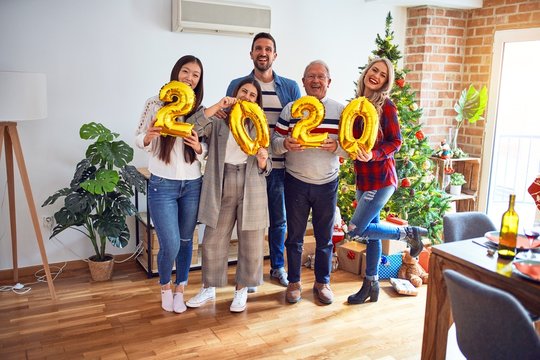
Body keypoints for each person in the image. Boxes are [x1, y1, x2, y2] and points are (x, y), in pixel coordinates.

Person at [345, 57, 427, 305]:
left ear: (385, 82)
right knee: (371, 235)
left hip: (381, 179)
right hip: (363, 180)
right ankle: (371, 286)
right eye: (374, 70)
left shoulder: (386, 106)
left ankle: (407, 233)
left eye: (382, 74)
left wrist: (374, 154)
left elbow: (396, 142)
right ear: (366, 72)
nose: (376, 76)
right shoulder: (356, 106)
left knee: (356, 230)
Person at [185, 78, 271, 312]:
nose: (247, 97)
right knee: (213, 239)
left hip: (251, 183)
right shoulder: (220, 120)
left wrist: (263, 161)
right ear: (234, 93)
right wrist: (217, 106)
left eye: (253, 95)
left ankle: (242, 290)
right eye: (244, 91)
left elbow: (268, 165)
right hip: (221, 181)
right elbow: (192, 127)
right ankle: (209, 287)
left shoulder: (259, 124)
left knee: (251, 242)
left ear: (257, 101)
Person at [227, 32, 301, 289]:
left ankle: (277, 267)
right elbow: (229, 122)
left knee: (278, 220)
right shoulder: (239, 85)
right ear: (251, 54)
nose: (263, 52)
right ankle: (249, 273)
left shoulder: (290, 87)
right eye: (258, 48)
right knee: (249, 221)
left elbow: (298, 123)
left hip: (279, 165)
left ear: (275, 55)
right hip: (247, 167)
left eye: (268, 49)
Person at [272, 60, 347, 305]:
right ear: (303, 82)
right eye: (310, 76)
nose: (315, 80)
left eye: (320, 76)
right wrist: (285, 144)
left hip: (328, 182)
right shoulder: (291, 110)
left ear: (329, 82)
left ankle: (322, 282)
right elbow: (274, 142)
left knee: (325, 238)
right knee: (294, 237)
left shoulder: (341, 110)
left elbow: (353, 148)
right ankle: (294, 283)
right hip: (295, 181)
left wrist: (338, 147)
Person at [135, 55, 206, 313]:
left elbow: (206, 148)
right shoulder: (155, 103)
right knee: (171, 242)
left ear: (199, 80)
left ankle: (180, 289)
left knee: (187, 240)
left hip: (192, 184)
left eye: (195, 74)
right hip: (162, 184)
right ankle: (165, 285)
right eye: (185, 71)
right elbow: (138, 136)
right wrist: (148, 137)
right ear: (176, 72)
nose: (189, 77)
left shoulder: (199, 110)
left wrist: (199, 147)